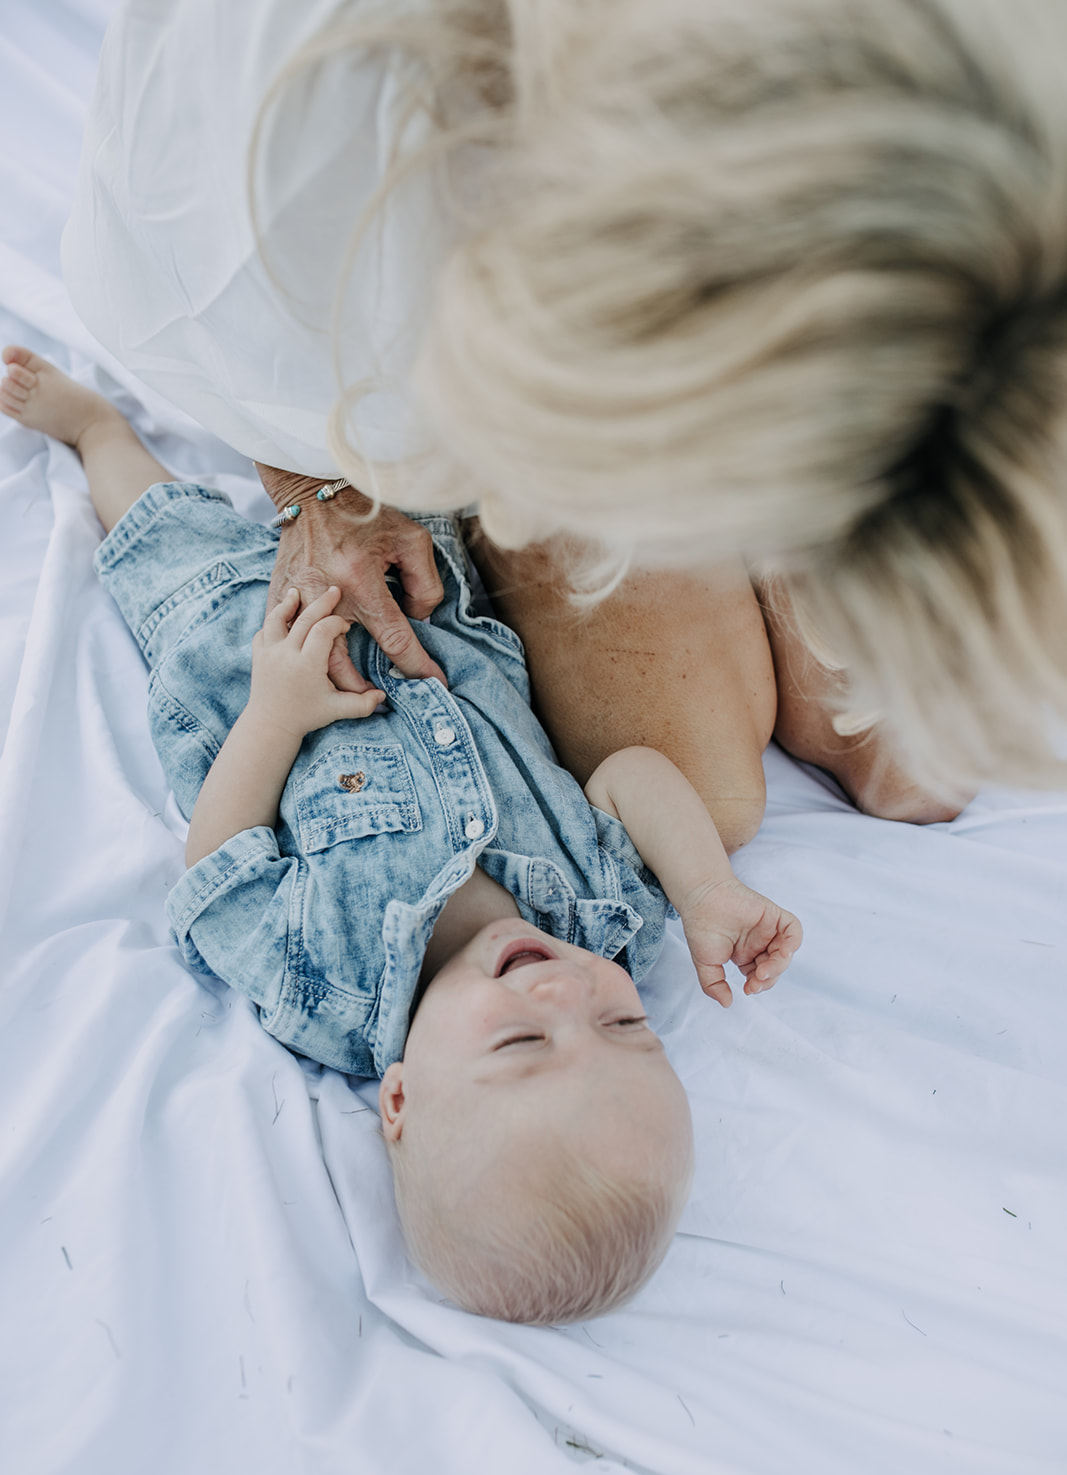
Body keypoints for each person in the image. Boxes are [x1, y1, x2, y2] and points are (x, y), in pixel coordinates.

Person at [68, 0, 1067, 856]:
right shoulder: (319, 125)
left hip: (759, 211)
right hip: (502, 257)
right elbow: (197, 296)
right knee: (695, 788)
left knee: (910, 769)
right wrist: (318, 483)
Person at [0, 346, 802, 1325]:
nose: (564, 992)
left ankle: (98, 434)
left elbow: (216, 867)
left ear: (400, 1100)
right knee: (379, 413)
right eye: (623, 1024)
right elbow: (630, 776)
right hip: (426, 605)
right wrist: (705, 888)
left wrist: (275, 715)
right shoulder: (599, 915)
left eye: (519, 1039)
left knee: (167, 541)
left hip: (253, 657)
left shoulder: (328, 988)